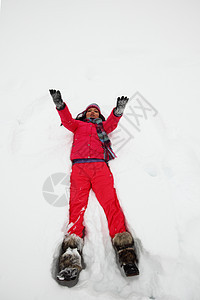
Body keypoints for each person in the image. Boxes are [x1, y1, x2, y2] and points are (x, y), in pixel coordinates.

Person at [49, 90, 139, 286]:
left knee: (111, 204)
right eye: (89, 111)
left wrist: (118, 111)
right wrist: (60, 105)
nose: (92, 113)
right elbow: (67, 121)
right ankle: (71, 257)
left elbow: (112, 123)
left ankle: (125, 252)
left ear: (100, 116)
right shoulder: (77, 125)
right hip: (79, 168)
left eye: (96, 112)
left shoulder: (103, 128)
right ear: (84, 114)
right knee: (77, 207)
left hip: (100, 167)